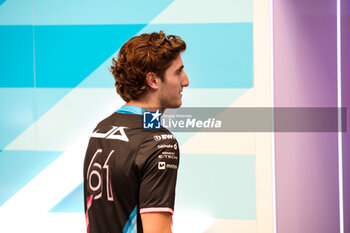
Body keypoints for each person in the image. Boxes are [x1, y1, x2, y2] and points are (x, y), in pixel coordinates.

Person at [83, 31, 189, 233]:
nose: (185, 81)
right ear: (153, 80)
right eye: (178, 72)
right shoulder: (160, 142)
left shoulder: (101, 129)